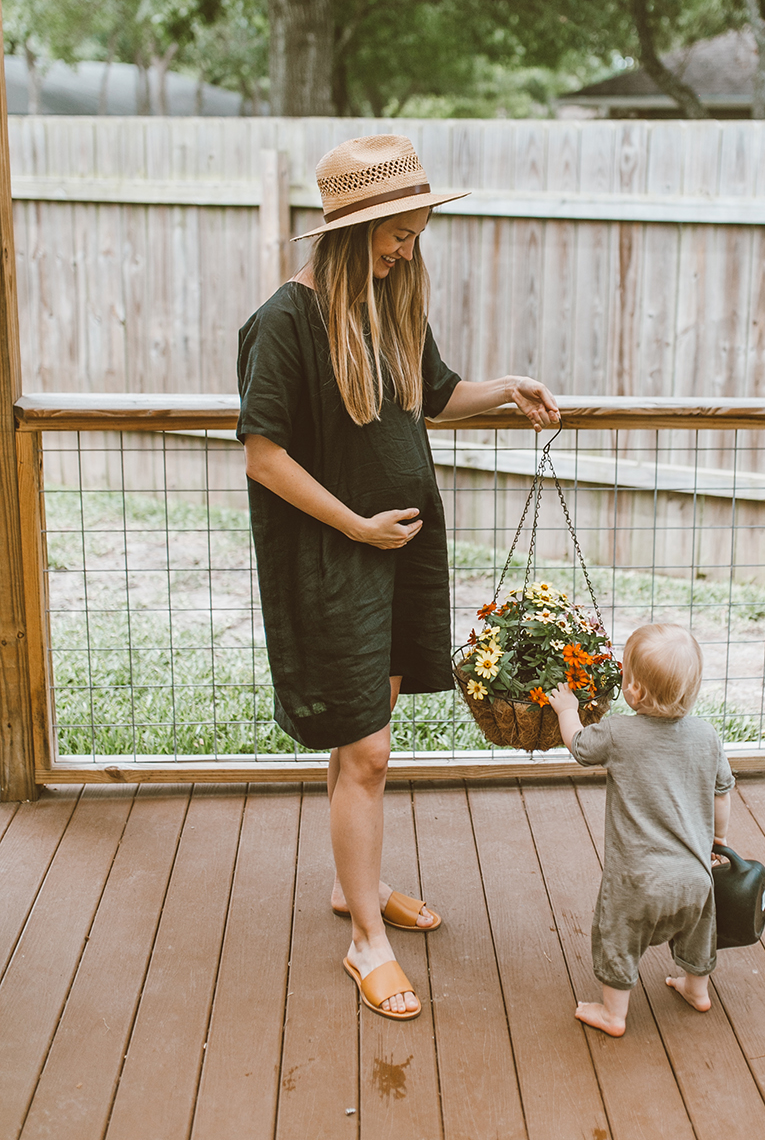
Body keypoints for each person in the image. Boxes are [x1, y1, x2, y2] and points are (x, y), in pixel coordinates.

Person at [237, 134, 559, 1022]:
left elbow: (434, 394)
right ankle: (364, 941)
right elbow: (263, 455)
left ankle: (358, 888)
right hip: (335, 554)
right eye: (394, 233)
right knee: (368, 748)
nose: (406, 247)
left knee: (363, 746)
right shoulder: (284, 322)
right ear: (350, 229)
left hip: (399, 548)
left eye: (415, 231)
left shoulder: (390, 303)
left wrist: (509, 389)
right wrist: (355, 524)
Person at [548, 622, 734, 1036]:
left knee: (618, 935)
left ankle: (613, 1014)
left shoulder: (619, 733)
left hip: (637, 879)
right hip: (695, 876)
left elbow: (579, 747)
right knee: (699, 930)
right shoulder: (707, 736)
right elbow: (722, 792)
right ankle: (696, 988)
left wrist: (566, 711)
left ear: (633, 690)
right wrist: (718, 842)